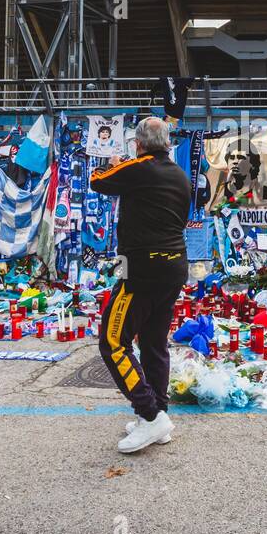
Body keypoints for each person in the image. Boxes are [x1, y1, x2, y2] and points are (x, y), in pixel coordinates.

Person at [90, 115, 192, 452]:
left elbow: (97, 180)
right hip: (174, 267)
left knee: (112, 341)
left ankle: (151, 416)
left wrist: (112, 162)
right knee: (153, 342)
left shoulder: (138, 168)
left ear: (139, 143)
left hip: (139, 269)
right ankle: (158, 414)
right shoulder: (179, 175)